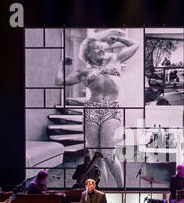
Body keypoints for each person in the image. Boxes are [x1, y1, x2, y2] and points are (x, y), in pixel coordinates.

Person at [55, 29, 139, 188]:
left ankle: (123, 190)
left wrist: (120, 39)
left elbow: (136, 45)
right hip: (91, 111)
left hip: (111, 110)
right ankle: (104, 191)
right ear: (88, 54)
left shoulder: (114, 59)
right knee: (95, 156)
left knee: (108, 154)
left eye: (102, 47)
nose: (102, 49)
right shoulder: (83, 72)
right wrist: (62, 65)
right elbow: (59, 81)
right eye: (97, 48)